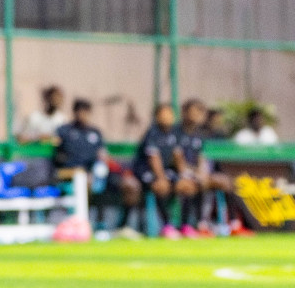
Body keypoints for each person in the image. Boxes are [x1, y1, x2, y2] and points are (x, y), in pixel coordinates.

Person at [53, 99, 141, 223]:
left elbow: (103, 156)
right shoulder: (64, 131)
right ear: (74, 112)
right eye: (80, 111)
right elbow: (57, 156)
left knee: (130, 185)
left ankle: (122, 226)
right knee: (86, 182)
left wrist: (122, 171)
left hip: (98, 175)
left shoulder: (95, 132)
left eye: (86, 112)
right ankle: (84, 222)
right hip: (72, 177)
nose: (82, 115)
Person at [132, 101, 196, 238]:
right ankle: (167, 226)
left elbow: (178, 156)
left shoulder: (175, 134)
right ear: (157, 116)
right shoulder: (152, 133)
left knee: (188, 187)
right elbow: (154, 159)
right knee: (161, 187)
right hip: (146, 172)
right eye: (164, 114)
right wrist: (161, 178)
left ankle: (185, 226)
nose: (167, 117)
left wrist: (184, 176)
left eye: (170, 114)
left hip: (167, 172)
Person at [178, 98, 234, 236]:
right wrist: (191, 172)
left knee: (226, 183)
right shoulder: (176, 132)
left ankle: (231, 224)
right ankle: (186, 225)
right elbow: (177, 159)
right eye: (194, 112)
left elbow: (202, 157)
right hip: (179, 173)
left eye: (199, 113)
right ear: (185, 113)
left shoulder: (200, 135)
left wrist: (201, 173)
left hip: (197, 173)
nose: (197, 116)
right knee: (191, 185)